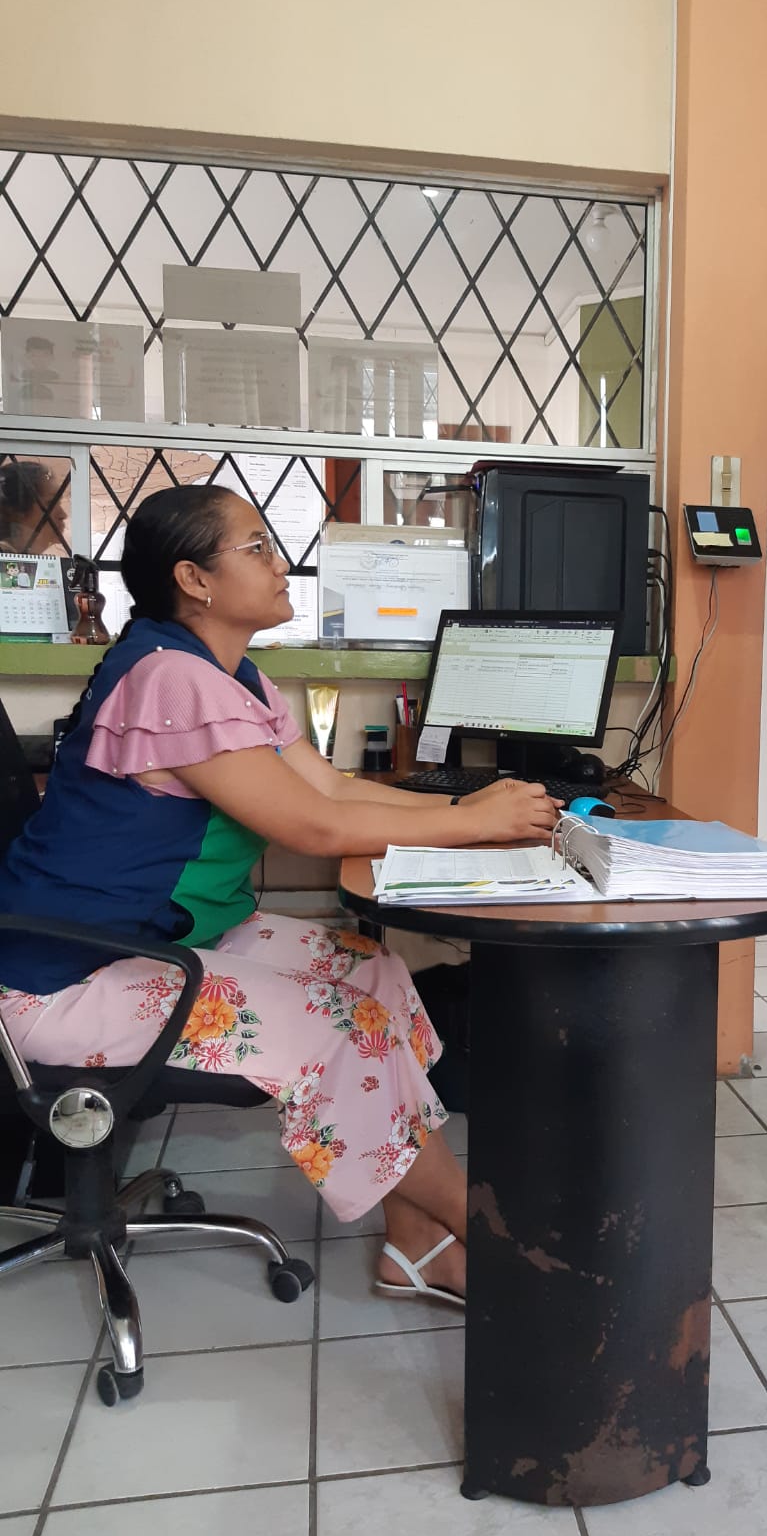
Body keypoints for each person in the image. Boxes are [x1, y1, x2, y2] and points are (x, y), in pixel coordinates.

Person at [0, 485, 560, 1305]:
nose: (280, 562)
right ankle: (498, 1239)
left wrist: (473, 813)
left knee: (373, 971)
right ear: (194, 578)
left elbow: (328, 788)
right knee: (347, 1027)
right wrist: (473, 821)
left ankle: (414, 1244)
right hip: (65, 973)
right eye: (257, 546)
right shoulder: (170, 679)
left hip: (154, 938)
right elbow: (315, 826)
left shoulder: (235, 677)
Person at [0, 459, 70, 555]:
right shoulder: (6, 558)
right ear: (16, 512)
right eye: (50, 503)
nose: (63, 515)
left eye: (59, 503)